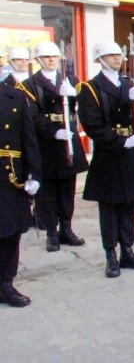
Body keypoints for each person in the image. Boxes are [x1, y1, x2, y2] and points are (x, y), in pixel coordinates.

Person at [76, 41, 134, 278]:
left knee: (130, 204)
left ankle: (127, 250)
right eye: (111, 55)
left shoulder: (130, 83)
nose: (117, 59)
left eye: (118, 55)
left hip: (131, 155)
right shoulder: (90, 88)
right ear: (100, 59)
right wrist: (120, 141)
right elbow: (92, 124)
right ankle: (111, 254)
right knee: (109, 208)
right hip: (109, 155)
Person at [17, 40, 88, 252]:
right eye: (47, 57)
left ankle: (66, 228)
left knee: (67, 188)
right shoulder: (29, 85)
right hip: (46, 143)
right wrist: (53, 131)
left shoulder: (71, 79)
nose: (51, 60)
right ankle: (51, 232)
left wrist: (74, 96)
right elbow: (32, 116)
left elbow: (82, 108)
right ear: (39, 59)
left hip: (67, 140)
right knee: (47, 191)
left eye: (55, 57)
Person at [0, 82, 41, 307]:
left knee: (10, 231)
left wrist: (34, 173)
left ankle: (5, 282)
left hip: (9, 174)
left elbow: (28, 138)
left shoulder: (15, 96)